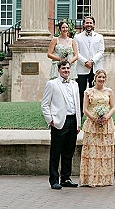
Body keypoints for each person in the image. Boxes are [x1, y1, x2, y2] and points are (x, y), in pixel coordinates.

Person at [40, 60, 81, 190]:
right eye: (63, 68)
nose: (66, 70)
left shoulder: (74, 84)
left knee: (69, 152)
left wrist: (78, 123)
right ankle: (54, 180)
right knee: (56, 152)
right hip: (59, 122)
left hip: (72, 121)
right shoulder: (52, 84)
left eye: (68, 68)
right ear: (59, 70)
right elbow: (45, 104)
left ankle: (66, 178)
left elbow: (77, 105)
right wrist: (50, 120)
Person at [79, 69, 115, 187]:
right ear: (95, 78)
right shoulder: (88, 91)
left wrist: (106, 117)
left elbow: (113, 107)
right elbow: (84, 109)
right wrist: (94, 118)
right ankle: (90, 179)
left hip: (106, 124)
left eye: (103, 77)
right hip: (92, 124)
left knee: (104, 152)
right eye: (99, 77)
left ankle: (104, 179)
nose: (101, 79)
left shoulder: (109, 91)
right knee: (93, 151)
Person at [74, 16, 105, 111]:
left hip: (95, 68)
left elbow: (101, 51)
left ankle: (93, 111)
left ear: (94, 25)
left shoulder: (99, 37)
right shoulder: (77, 37)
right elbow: (76, 52)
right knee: (81, 91)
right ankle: (80, 113)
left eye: (90, 23)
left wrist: (92, 61)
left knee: (95, 91)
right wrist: (85, 62)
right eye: (87, 23)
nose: (89, 25)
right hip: (82, 68)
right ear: (83, 24)